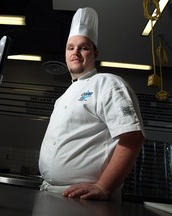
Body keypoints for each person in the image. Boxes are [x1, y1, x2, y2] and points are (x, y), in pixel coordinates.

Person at [38, 7, 145, 201]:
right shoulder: (64, 97)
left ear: (95, 53)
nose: (76, 52)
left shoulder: (108, 83)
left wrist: (103, 187)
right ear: (65, 53)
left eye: (84, 47)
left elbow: (133, 137)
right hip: (52, 195)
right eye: (71, 47)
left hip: (85, 199)